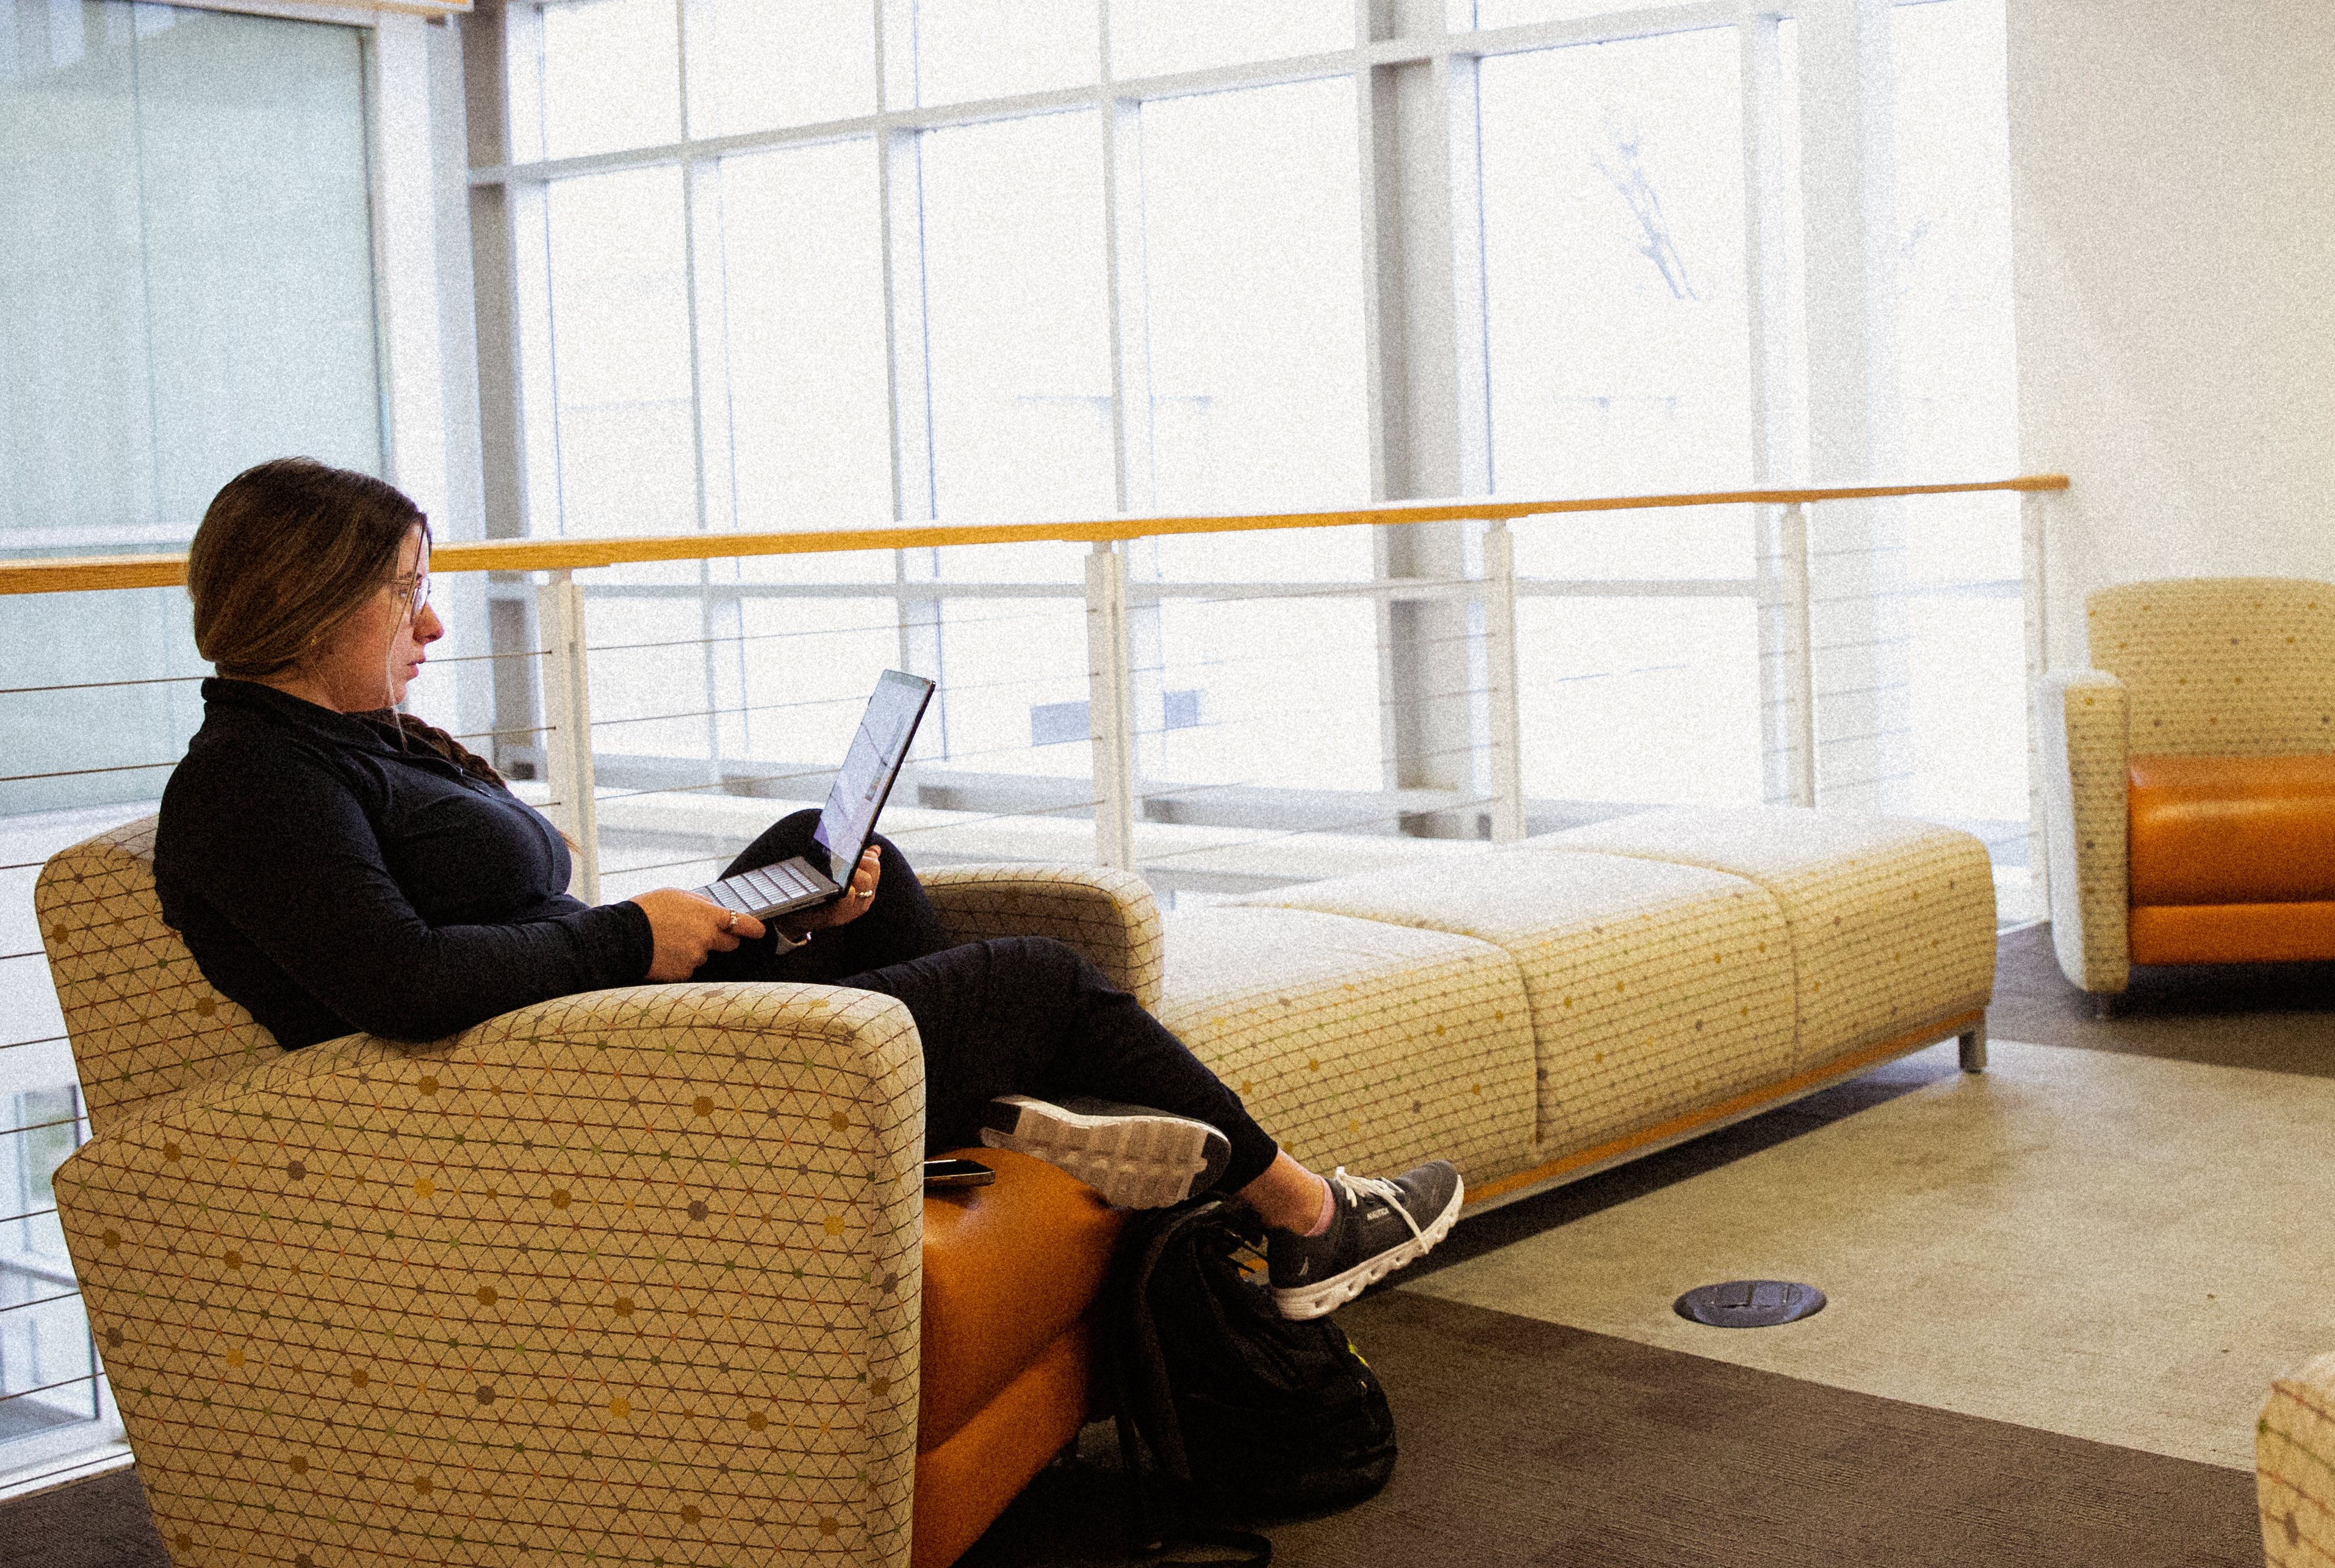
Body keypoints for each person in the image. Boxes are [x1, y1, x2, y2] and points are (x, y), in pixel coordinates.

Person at [151, 456, 1457, 1320]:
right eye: (406, 596)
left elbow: (472, 929)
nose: (431, 627)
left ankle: (980, 1112)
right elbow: (401, 981)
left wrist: (728, 927)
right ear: (311, 603)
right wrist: (626, 939)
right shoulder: (254, 785)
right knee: (1039, 976)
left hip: (582, 1028)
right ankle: (1306, 1219)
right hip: (557, 1090)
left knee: (836, 870)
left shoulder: (342, 744)